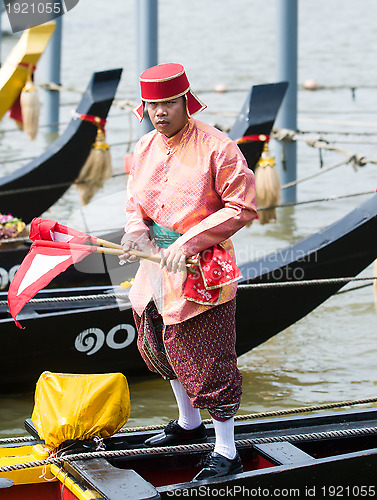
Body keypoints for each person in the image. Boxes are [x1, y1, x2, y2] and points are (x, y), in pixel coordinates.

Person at [120, 63, 257, 481]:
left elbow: (243, 207)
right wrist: (134, 232)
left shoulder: (218, 147)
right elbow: (134, 205)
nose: (160, 112)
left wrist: (186, 243)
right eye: (152, 105)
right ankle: (187, 424)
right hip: (154, 268)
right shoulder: (143, 147)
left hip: (202, 265)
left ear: (186, 102)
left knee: (207, 355)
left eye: (168, 103)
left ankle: (226, 448)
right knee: (162, 345)